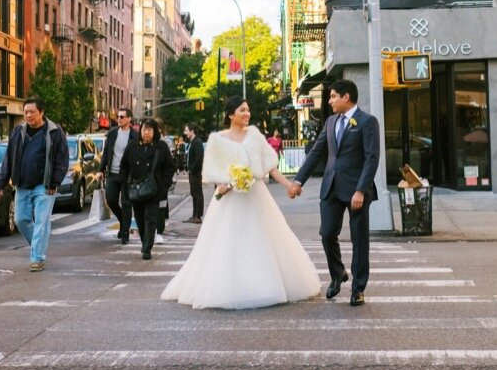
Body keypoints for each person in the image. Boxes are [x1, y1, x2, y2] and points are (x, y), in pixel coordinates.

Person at [161, 96, 320, 309]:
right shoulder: (219, 139)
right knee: (229, 241)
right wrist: (224, 184)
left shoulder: (255, 136)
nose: (247, 114)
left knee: (260, 238)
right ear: (230, 115)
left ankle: (263, 285)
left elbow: (270, 166)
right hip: (229, 197)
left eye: (248, 110)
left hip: (255, 194)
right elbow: (213, 170)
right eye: (242, 110)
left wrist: (288, 185)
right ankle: (229, 286)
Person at [293, 79, 380, 307]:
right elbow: (316, 153)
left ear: (346, 97)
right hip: (331, 188)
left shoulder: (367, 122)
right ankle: (337, 273)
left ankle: (358, 288)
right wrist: (298, 180)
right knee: (327, 233)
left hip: (356, 191)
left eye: (332, 97)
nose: (330, 101)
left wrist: (361, 190)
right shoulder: (331, 122)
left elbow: (372, 159)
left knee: (359, 240)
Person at [0, 96, 68, 272]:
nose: (28, 115)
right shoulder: (18, 131)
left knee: (41, 222)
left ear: (41, 112)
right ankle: (39, 246)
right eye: (26, 112)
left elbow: (61, 160)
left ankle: (37, 258)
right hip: (22, 184)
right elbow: (9, 157)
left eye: (32, 112)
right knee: (21, 220)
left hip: (44, 186)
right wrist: (1, 183)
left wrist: (55, 181)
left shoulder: (54, 132)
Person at [120, 118, 174, 260]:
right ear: (140, 130)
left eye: (149, 130)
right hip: (136, 190)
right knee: (139, 218)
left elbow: (169, 167)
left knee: (150, 218)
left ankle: (147, 248)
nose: (146, 133)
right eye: (144, 129)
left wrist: (165, 184)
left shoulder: (161, 147)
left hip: (154, 190)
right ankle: (145, 241)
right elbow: (124, 166)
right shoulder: (132, 146)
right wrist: (124, 183)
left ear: (155, 131)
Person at [98, 107, 138, 244]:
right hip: (112, 174)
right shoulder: (112, 133)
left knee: (127, 203)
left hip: (127, 175)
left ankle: (125, 233)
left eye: (122, 117)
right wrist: (101, 169)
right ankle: (123, 221)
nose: (119, 119)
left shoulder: (135, 136)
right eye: (118, 117)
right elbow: (106, 153)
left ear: (129, 119)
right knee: (111, 200)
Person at [182, 122, 205, 224]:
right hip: (192, 172)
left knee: (197, 193)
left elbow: (199, 157)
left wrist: (192, 168)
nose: (185, 132)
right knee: (194, 193)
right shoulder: (192, 142)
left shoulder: (197, 142)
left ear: (192, 131)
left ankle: (198, 216)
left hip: (195, 172)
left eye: (186, 130)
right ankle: (194, 215)